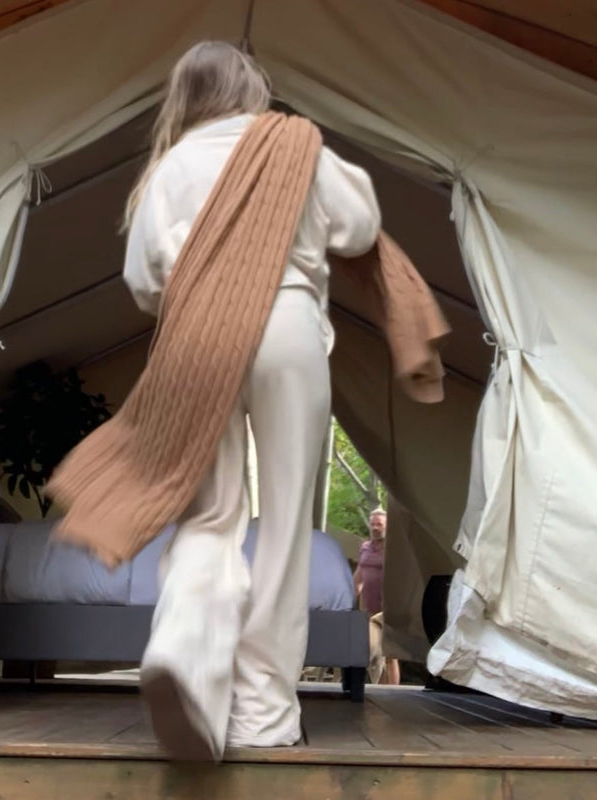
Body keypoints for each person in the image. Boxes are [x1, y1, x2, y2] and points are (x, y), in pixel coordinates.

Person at [121, 41, 380, 761]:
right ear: (253, 89)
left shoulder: (171, 166)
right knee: (287, 527)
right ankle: (262, 715)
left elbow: (143, 281)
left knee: (208, 511)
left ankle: (183, 649)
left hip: (195, 330)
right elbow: (359, 226)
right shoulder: (293, 145)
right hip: (286, 320)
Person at [354, 508, 400, 685]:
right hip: (367, 609)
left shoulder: (394, 549)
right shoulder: (365, 547)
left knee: (390, 654)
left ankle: (393, 692)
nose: (375, 528)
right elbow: (360, 574)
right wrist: (350, 595)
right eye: (372, 524)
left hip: (386, 610)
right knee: (372, 653)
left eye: (379, 524)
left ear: (387, 526)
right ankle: (378, 690)